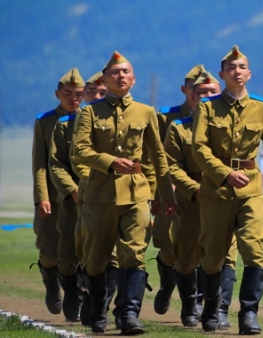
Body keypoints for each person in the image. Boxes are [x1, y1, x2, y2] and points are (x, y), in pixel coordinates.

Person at [191, 45, 263, 334]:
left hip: (251, 189)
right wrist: (225, 174)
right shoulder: (207, 107)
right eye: (231, 68)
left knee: (254, 251)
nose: (237, 72)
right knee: (213, 257)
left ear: (249, 74)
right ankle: (213, 307)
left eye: (241, 67)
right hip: (217, 191)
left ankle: (249, 314)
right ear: (222, 74)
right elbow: (199, 149)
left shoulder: (262, 108)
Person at [73, 51, 177, 334]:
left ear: (133, 79)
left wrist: (166, 196)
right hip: (99, 196)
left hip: (137, 194)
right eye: (114, 72)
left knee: (135, 255)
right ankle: (97, 309)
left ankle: (128, 314)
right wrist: (109, 162)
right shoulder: (89, 113)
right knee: (96, 259)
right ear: (104, 80)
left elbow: (158, 156)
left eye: (125, 72)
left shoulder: (146, 112)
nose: (120, 76)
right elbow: (79, 150)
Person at [164, 67, 223, 327]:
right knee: (186, 256)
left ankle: (218, 309)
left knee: (224, 256)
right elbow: (171, 166)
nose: (207, 96)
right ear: (192, 95)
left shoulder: (226, 126)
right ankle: (189, 305)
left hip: (224, 199)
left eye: (213, 91)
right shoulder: (179, 128)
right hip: (192, 201)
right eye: (202, 92)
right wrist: (193, 190)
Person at [49, 70, 107, 322]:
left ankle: (97, 305)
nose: (96, 97)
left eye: (102, 93)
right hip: (73, 201)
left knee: (106, 255)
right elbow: (56, 164)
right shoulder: (65, 125)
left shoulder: (119, 122)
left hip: (107, 199)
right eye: (92, 92)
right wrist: (73, 190)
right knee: (68, 253)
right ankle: (72, 291)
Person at [31, 68, 84, 315]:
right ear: (57, 94)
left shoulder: (89, 119)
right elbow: (40, 164)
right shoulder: (45, 121)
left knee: (73, 251)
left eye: (79, 94)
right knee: (49, 250)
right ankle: (51, 285)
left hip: (81, 197)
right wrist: (42, 196)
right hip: (53, 197)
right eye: (68, 94)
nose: (74, 99)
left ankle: (73, 294)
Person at [151, 63, 202, 315]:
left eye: (204, 88)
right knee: (171, 249)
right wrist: (159, 192)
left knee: (204, 249)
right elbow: (153, 157)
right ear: (185, 90)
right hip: (170, 192)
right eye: (194, 88)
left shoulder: (217, 115)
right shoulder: (166, 117)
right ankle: (167, 283)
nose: (199, 93)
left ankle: (195, 303)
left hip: (202, 194)